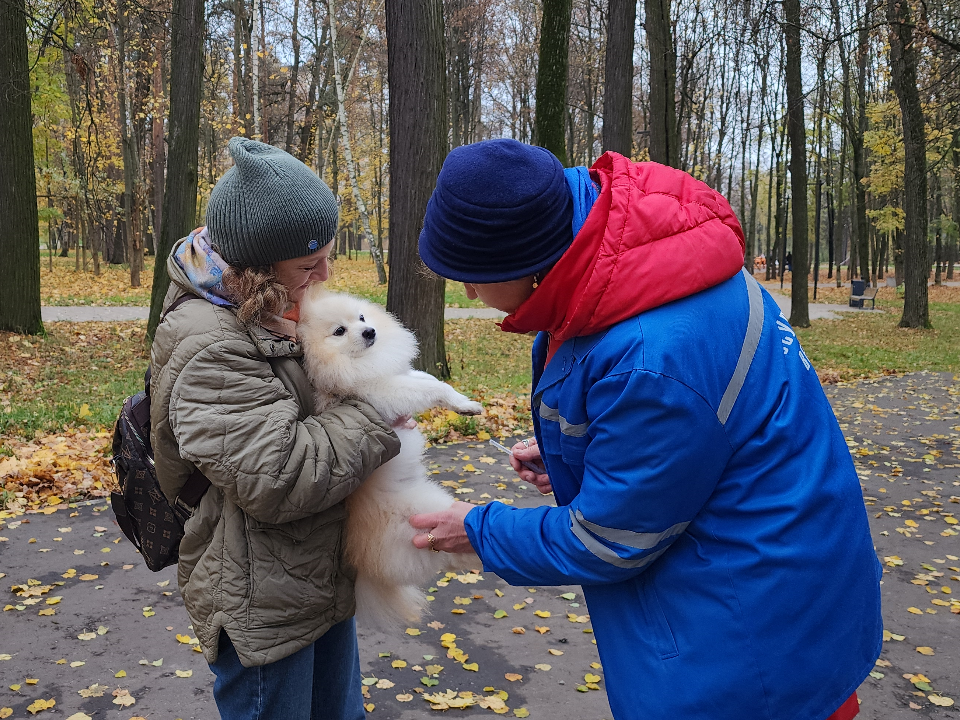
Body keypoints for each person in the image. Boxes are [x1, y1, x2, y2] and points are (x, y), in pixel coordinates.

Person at [412, 139, 881, 720]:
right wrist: (585, 455)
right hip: (799, 587)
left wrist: (476, 529)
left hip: (747, 645)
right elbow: (707, 435)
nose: (467, 293)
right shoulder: (651, 261)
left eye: (473, 276)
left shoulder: (649, 356)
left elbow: (608, 541)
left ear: (528, 262)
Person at [150, 137, 401, 720]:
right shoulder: (210, 343)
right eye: (308, 266)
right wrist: (378, 409)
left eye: (327, 257)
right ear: (256, 269)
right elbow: (279, 477)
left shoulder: (268, 310)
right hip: (261, 599)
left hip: (311, 576)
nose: (325, 274)